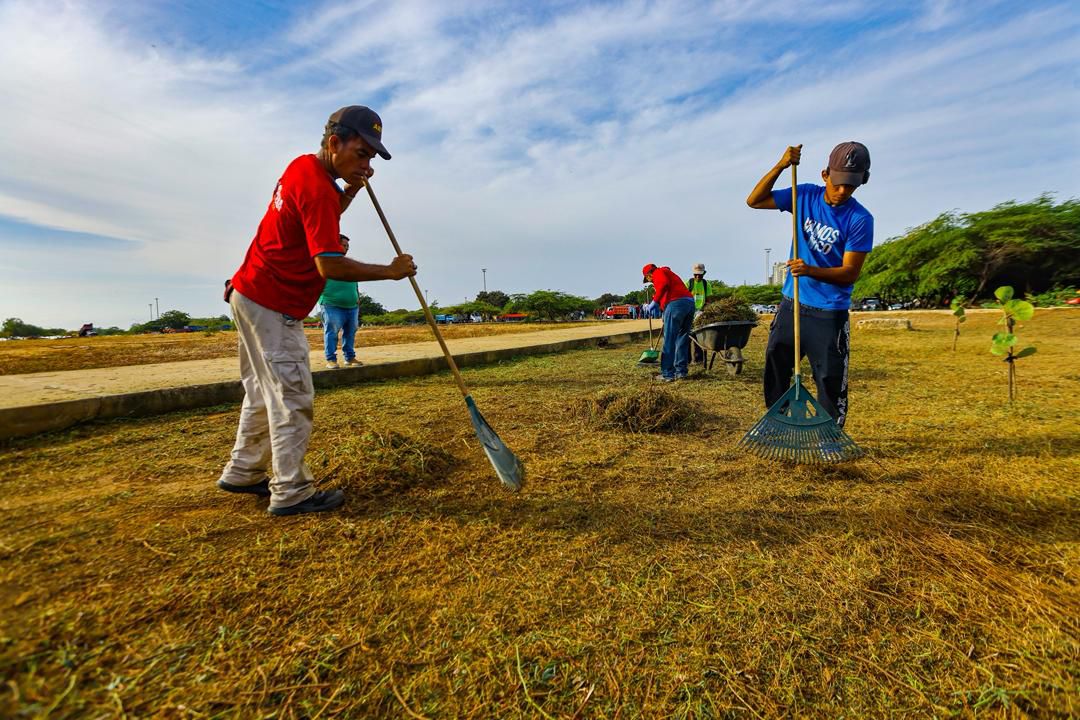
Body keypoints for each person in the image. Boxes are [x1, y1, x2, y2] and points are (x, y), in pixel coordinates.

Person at [218, 105, 416, 516]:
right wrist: (391, 271)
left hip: (249, 292)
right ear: (334, 143)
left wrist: (351, 191)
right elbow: (329, 263)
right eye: (361, 153)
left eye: (371, 158)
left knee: (261, 391)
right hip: (272, 302)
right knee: (292, 397)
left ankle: (243, 470)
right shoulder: (317, 186)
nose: (366, 163)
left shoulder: (305, 169)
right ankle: (291, 492)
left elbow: (320, 215)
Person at [745, 141, 874, 427]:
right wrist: (780, 165)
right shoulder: (803, 195)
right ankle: (779, 424)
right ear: (825, 174)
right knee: (777, 365)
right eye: (838, 183)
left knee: (829, 377)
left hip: (829, 312)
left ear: (861, 182)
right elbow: (754, 200)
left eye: (850, 186)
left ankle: (830, 436)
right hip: (792, 303)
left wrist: (810, 270)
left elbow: (850, 273)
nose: (842, 192)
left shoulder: (860, 219)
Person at [642, 263, 695, 382]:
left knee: (669, 340)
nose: (651, 282)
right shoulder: (671, 274)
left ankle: (667, 374)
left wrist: (654, 302)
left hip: (676, 304)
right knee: (682, 338)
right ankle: (681, 372)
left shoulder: (658, 272)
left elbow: (663, 285)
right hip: (689, 304)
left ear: (649, 275)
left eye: (649, 280)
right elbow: (666, 289)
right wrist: (660, 305)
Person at [319, 233, 362, 369]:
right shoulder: (325, 262)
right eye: (344, 245)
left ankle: (350, 357)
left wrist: (357, 297)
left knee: (351, 331)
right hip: (331, 304)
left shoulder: (348, 264)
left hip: (352, 306)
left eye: (347, 246)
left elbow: (355, 282)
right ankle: (331, 359)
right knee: (332, 331)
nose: (346, 248)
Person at [686, 263, 710, 363]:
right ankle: (686, 359)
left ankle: (698, 359)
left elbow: (708, 299)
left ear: (704, 273)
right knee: (687, 337)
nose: (697, 277)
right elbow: (683, 297)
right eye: (695, 274)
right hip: (689, 312)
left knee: (699, 337)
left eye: (699, 274)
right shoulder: (688, 283)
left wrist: (704, 310)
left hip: (700, 313)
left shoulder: (706, 284)